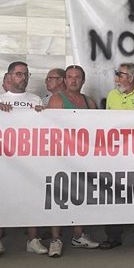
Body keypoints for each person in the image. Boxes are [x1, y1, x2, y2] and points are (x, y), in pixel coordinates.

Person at [0, 61, 47, 258]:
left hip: (30, 158)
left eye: (26, 74)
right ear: (9, 76)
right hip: (3, 159)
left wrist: (42, 114)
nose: (23, 78)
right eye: (19, 74)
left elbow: (45, 127)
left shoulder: (35, 98)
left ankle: (32, 240)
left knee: (33, 198)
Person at [46, 65, 100, 253]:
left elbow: (96, 130)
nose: (73, 80)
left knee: (81, 195)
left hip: (83, 156)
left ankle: (79, 235)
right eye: (69, 77)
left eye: (77, 77)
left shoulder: (89, 102)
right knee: (58, 196)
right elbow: (51, 129)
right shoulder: (56, 100)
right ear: (64, 80)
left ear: (83, 81)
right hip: (61, 155)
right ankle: (55, 239)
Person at [100, 63, 134, 250]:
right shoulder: (112, 96)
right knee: (114, 194)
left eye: (119, 75)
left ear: (130, 78)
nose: (116, 78)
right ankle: (113, 236)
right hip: (116, 154)